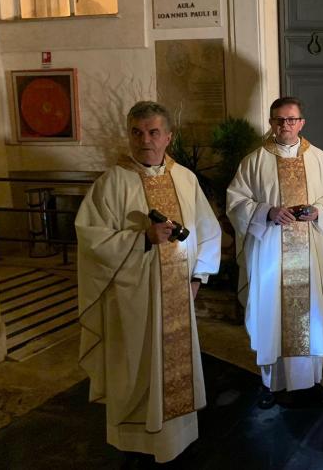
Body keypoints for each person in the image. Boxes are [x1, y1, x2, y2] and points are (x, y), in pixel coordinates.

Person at [76, 101, 221, 464]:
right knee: (136, 366)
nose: (145, 141)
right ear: (129, 135)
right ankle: (136, 442)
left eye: (154, 132)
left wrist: (198, 277)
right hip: (133, 298)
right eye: (137, 133)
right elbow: (90, 239)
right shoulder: (112, 182)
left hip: (177, 294)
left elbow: (208, 230)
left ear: (168, 137)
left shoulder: (185, 178)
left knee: (175, 370)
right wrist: (142, 238)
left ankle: (177, 438)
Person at [227, 97, 323, 408]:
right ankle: (273, 383)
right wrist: (266, 212)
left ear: (301, 123)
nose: (286, 125)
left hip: (310, 253)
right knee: (271, 315)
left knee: (312, 316)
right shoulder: (254, 161)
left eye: (292, 119)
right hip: (271, 255)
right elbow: (236, 201)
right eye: (279, 120)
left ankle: (311, 381)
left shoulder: (319, 159)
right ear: (271, 122)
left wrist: (318, 211)